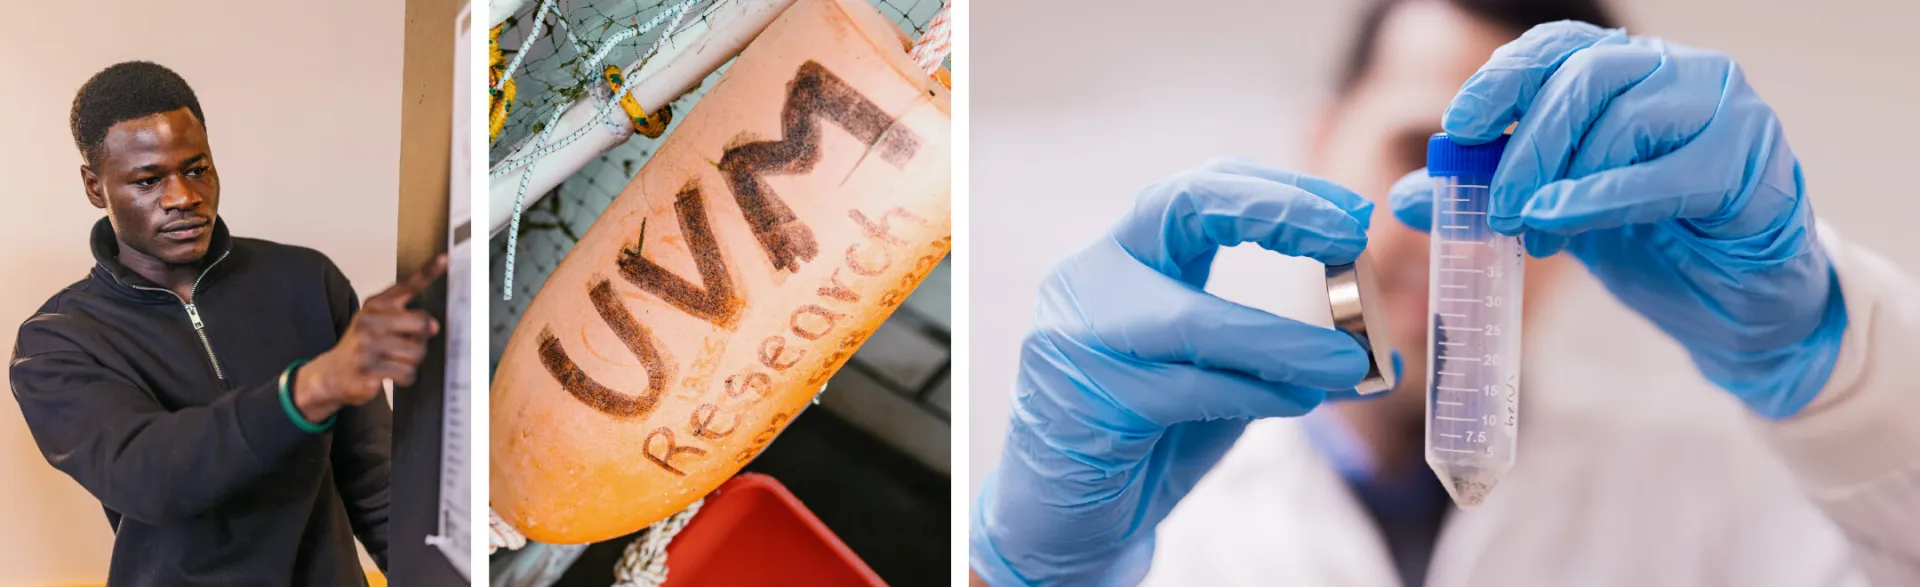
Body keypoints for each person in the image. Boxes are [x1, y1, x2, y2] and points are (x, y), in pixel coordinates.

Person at [970, 1, 1920, 585]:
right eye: (1424, 152)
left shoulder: (1708, 493)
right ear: (1322, 138)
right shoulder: (1131, 505)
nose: (1470, 234)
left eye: (1527, 186)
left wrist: (1839, 372)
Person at [10, 61, 444, 585]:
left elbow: (375, 480)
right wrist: (309, 389)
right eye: (148, 180)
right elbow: (148, 475)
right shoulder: (57, 341)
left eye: (196, 169)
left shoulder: (306, 281)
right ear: (95, 188)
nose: (182, 197)